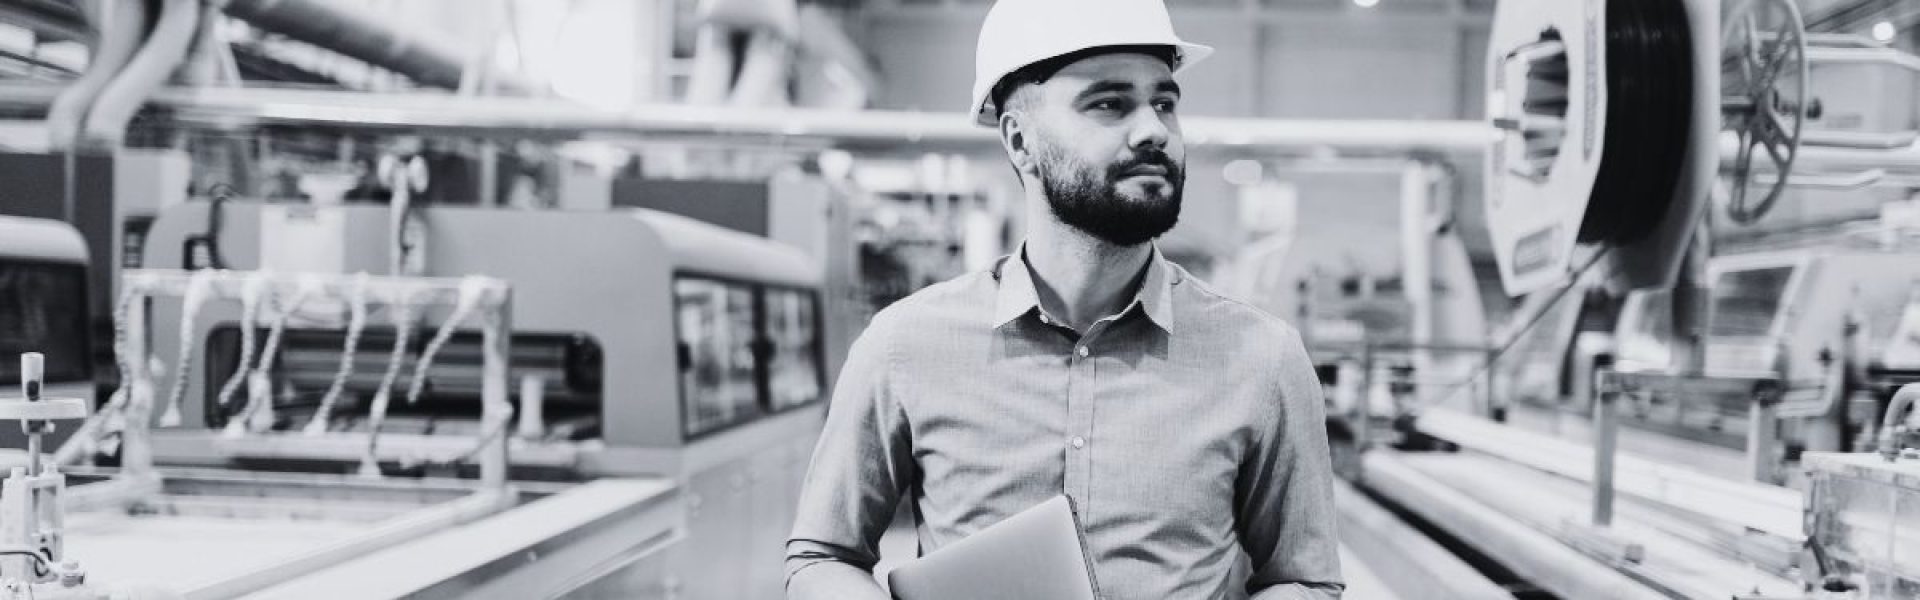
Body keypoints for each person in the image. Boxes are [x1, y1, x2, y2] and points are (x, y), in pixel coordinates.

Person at [785, 0, 1344, 597]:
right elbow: (823, 557)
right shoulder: (905, 346)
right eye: (1109, 103)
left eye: (1164, 102)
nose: (1154, 129)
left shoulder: (1261, 359)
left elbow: (1304, 580)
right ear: (1019, 139)